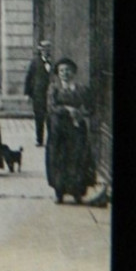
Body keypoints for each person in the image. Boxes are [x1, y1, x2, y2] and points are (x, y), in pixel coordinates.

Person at [45, 57, 96, 204]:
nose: (64, 73)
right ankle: (59, 192)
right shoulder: (54, 88)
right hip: (58, 129)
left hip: (76, 128)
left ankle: (77, 192)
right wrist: (68, 109)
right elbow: (51, 107)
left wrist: (82, 113)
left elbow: (91, 107)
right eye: (61, 71)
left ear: (73, 72)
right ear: (57, 73)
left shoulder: (81, 89)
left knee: (77, 158)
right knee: (58, 158)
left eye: (67, 70)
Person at [24, 40, 53, 146]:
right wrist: (28, 94)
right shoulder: (35, 62)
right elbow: (29, 77)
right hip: (38, 94)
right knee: (39, 117)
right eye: (43, 50)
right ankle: (39, 139)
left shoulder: (52, 61)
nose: (45, 51)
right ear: (40, 50)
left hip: (50, 94)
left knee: (51, 117)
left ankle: (52, 139)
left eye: (47, 49)